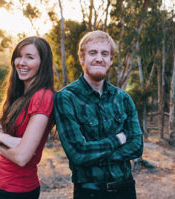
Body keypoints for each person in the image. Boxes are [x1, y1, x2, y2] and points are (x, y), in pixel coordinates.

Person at [54, 30, 143, 199]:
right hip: (89, 192)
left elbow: (137, 146)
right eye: (93, 53)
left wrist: (93, 153)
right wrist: (118, 139)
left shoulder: (123, 98)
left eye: (105, 54)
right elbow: (78, 153)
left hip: (126, 190)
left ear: (110, 60)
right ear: (82, 58)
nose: (99, 58)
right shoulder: (66, 98)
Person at [0, 36, 55, 199]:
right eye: (19, 55)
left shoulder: (43, 97)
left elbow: (22, 157)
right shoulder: (19, 94)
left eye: (29, 57)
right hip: (0, 183)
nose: (21, 62)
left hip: (19, 190)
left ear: (42, 63)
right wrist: (7, 139)